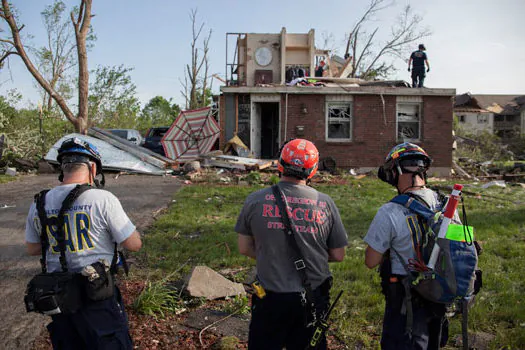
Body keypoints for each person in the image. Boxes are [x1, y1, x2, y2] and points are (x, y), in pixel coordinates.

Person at [25, 137, 142, 350]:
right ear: (93, 167)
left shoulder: (39, 202)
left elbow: (32, 248)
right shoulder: (102, 199)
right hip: (96, 294)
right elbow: (134, 244)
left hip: (59, 298)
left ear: (63, 167)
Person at [236, 138, 348, 350]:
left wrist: (272, 254)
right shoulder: (325, 204)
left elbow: (244, 248)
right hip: (312, 299)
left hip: (269, 298)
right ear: (313, 170)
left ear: (280, 165)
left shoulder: (255, 200)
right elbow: (338, 255)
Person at [363, 142, 448, 350]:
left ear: (397, 171)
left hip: (405, 300)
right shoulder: (447, 206)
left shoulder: (390, 211)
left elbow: (370, 261)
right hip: (440, 296)